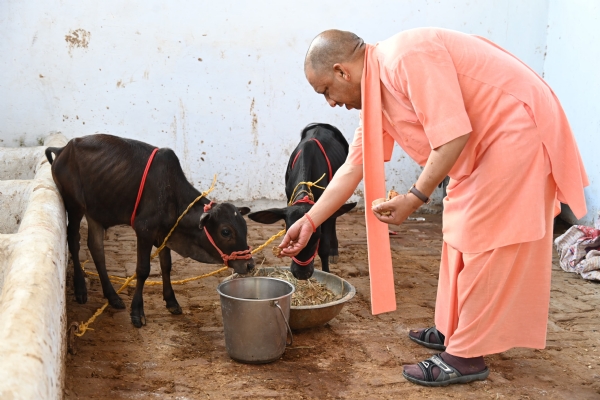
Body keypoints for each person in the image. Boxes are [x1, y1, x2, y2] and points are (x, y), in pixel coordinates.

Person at [278, 28, 588, 387]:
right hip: (487, 141)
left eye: (326, 91)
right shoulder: (378, 88)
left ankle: (466, 355)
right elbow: (354, 165)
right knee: (457, 228)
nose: (330, 104)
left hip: (517, 130)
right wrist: (311, 221)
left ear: (341, 71)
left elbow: (454, 134)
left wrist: (415, 197)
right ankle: (452, 328)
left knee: (483, 237)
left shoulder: (405, 57)